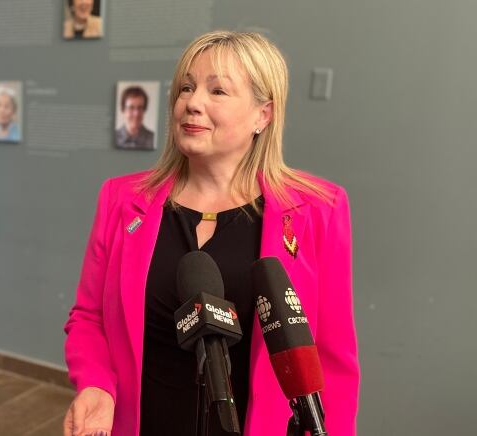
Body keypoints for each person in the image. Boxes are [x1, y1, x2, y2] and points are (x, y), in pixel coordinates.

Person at [63, 31, 359, 436]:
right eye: (186, 87)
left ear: (263, 114)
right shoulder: (121, 200)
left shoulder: (318, 210)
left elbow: (332, 358)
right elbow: (89, 317)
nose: (192, 102)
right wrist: (95, 383)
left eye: (217, 90)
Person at [115, 86, 155, 150]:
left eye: (140, 108)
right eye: (131, 108)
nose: (136, 114)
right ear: (123, 110)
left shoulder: (154, 139)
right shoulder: (112, 138)